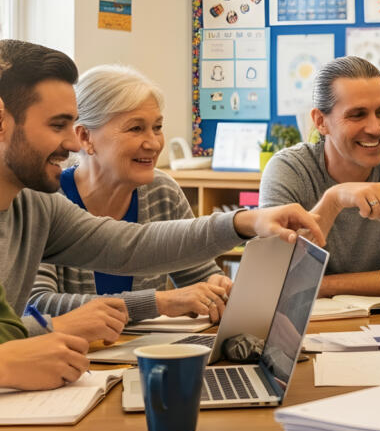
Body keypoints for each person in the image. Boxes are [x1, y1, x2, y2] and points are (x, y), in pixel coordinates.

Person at [0, 40, 323, 390]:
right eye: (57, 125)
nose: (74, 144)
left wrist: (244, 222)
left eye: (156, 127)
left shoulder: (33, 205)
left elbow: (129, 246)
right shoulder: (43, 196)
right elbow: (31, 316)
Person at [28, 65, 232, 324]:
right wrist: (160, 302)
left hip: (144, 357)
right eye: (136, 129)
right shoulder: (43, 198)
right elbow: (36, 306)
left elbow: (199, 275)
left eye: (157, 127)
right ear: (84, 136)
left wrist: (215, 287)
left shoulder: (162, 192)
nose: (154, 143)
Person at [260, 56, 380, 298]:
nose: (376, 128)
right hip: (309, 324)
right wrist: (332, 201)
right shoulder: (289, 170)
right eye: (357, 115)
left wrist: (321, 286)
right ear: (320, 121)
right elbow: (274, 275)